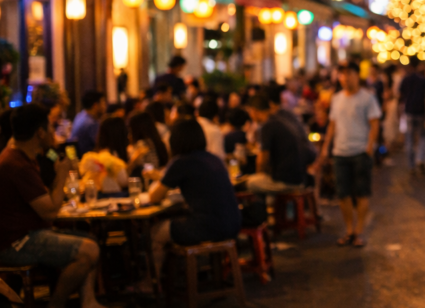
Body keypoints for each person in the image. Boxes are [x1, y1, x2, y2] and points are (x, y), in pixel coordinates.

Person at [0, 104, 113, 308]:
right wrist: (62, 174)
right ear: (40, 132)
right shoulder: (16, 164)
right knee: (89, 249)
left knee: (89, 239)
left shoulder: (24, 157)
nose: (54, 133)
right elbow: (50, 211)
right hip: (16, 242)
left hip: (27, 234)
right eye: (51, 128)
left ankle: (88, 304)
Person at [147, 118, 242, 284]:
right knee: (180, 220)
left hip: (210, 227)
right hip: (233, 223)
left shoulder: (181, 162)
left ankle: (151, 284)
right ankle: (193, 273)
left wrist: (155, 178)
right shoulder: (213, 158)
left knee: (155, 232)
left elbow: (154, 197)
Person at [320, 63, 381, 247]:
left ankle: (359, 231)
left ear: (357, 75)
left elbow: (375, 124)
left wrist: (369, 148)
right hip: (340, 152)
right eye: (342, 74)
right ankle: (349, 230)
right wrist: (326, 147)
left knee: (362, 193)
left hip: (360, 152)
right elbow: (332, 125)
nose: (345, 78)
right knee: (343, 194)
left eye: (349, 74)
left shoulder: (367, 98)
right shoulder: (336, 98)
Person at [246, 90, 311, 195]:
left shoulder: (267, 126)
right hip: (300, 177)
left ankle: (263, 205)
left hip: (287, 181)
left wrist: (259, 175)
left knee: (250, 183)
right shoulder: (279, 120)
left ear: (254, 111)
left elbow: (262, 161)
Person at [78, 117, 141, 195]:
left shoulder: (95, 157)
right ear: (120, 135)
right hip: (114, 198)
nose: (128, 136)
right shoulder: (111, 159)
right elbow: (124, 181)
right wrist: (133, 164)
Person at [399, 58, 425, 174]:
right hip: (421, 111)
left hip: (408, 111)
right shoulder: (423, 79)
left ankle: (411, 164)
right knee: (422, 136)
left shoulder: (405, 79)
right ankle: (420, 159)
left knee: (410, 138)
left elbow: (400, 95)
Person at [69, 90, 106, 155]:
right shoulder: (92, 122)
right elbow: (101, 144)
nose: (105, 106)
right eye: (103, 103)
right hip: (87, 157)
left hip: (75, 156)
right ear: (95, 105)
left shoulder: (79, 116)